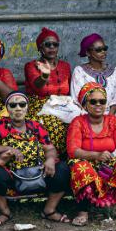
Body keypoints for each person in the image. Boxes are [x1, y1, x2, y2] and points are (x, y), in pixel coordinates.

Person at [0, 91, 70, 227]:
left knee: (63, 169)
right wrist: (7, 149)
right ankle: (4, 212)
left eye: (22, 104)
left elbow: (50, 148)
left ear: (27, 107)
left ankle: (49, 210)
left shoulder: (35, 126)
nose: (18, 108)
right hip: (12, 175)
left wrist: (50, 159)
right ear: (7, 108)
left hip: (40, 172)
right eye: (13, 105)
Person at [68, 82, 116, 226]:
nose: (98, 105)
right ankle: (82, 211)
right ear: (85, 105)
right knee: (81, 168)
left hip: (107, 162)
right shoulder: (78, 122)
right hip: (86, 161)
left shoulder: (113, 120)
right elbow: (73, 151)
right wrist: (96, 155)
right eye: (93, 101)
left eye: (102, 101)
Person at [70, 34, 116, 138]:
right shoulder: (79, 71)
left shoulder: (114, 71)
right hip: (88, 114)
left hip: (112, 112)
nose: (103, 52)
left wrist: (110, 116)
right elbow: (77, 98)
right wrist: (96, 114)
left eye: (104, 48)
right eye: (98, 50)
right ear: (88, 52)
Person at [24, 27, 71, 155]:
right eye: (47, 44)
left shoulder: (65, 66)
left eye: (55, 44)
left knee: (79, 121)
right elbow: (37, 86)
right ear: (40, 48)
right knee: (54, 125)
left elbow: (69, 90)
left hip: (64, 104)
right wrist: (45, 75)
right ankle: (54, 157)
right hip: (41, 106)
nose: (51, 47)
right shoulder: (31, 66)